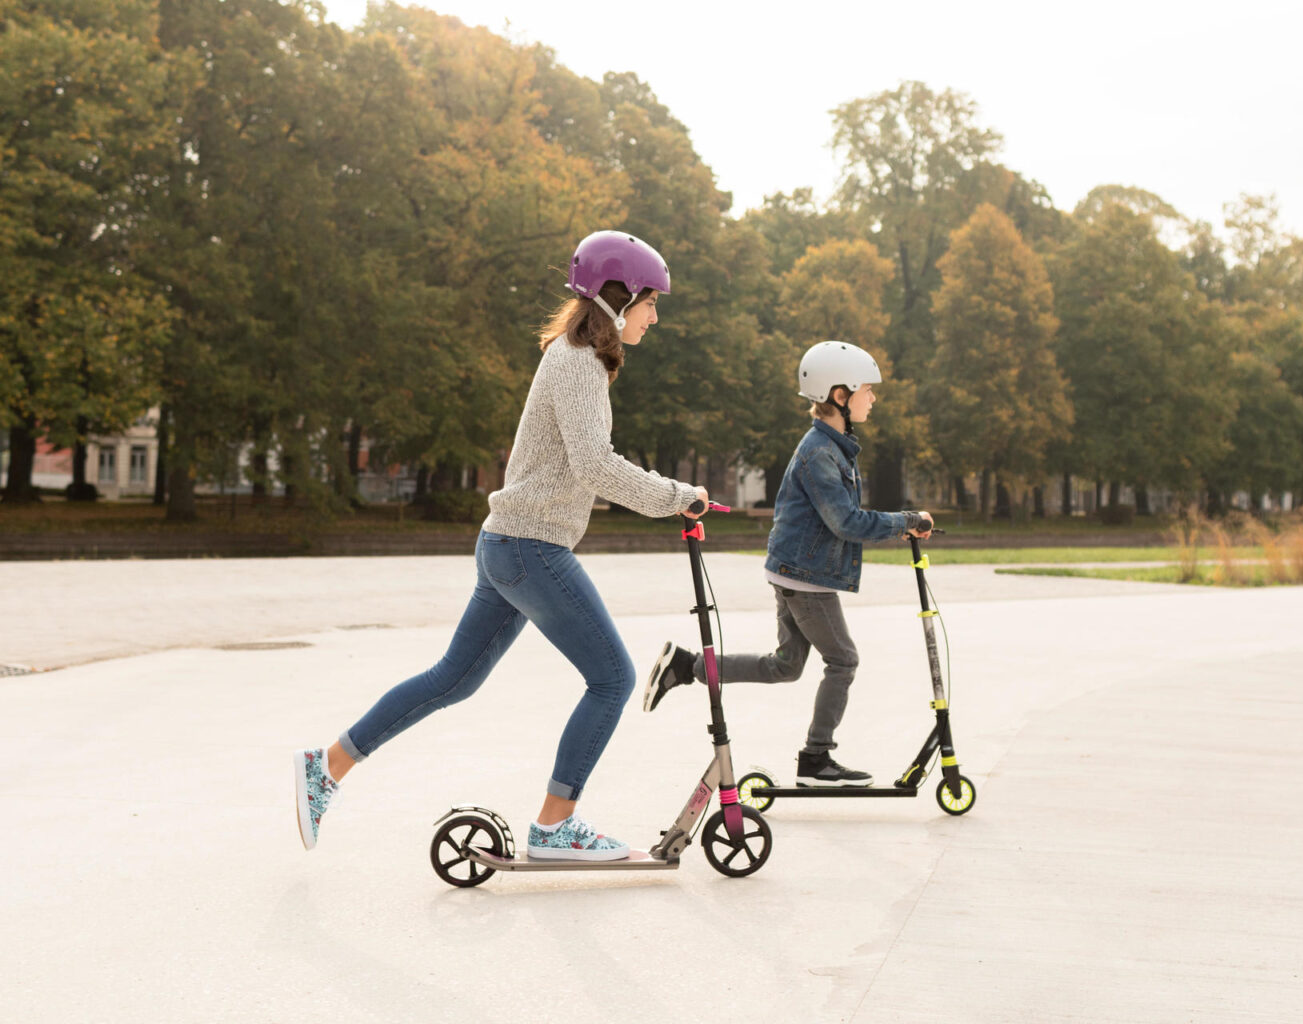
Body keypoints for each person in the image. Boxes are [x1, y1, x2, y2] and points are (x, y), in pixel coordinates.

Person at [293, 230, 707, 859]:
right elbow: (597, 464)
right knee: (614, 678)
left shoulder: (573, 359)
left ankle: (325, 767)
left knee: (451, 679)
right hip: (530, 547)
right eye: (652, 301)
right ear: (619, 298)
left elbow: (583, 464)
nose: (656, 315)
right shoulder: (578, 364)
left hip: (509, 545)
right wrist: (678, 494)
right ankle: (554, 827)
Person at [641, 341, 931, 786]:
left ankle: (687, 666)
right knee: (844, 661)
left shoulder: (833, 447)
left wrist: (901, 526)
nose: (873, 398)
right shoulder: (820, 453)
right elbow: (846, 522)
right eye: (867, 390)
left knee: (786, 666)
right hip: (805, 577)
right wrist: (907, 520)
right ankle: (816, 758)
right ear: (840, 395)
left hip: (796, 571)